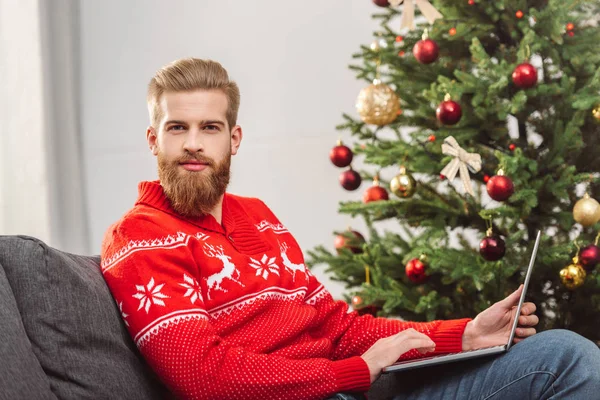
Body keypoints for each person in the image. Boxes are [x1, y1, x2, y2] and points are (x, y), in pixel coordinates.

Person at [101, 58, 600, 400]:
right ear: (153, 139)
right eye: (176, 128)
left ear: (233, 139)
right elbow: (202, 376)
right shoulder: (140, 236)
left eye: (208, 128)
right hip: (333, 389)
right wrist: (359, 371)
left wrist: (462, 336)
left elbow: (336, 328)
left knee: (567, 356)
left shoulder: (257, 216)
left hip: (355, 388)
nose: (193, 144)